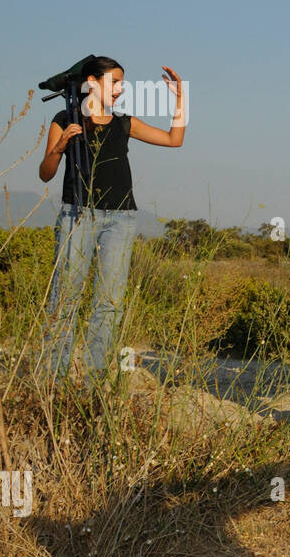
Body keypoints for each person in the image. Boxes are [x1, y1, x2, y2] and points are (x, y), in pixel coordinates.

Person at [38, 57, 187, 378]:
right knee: (64, 300)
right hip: (76, 215)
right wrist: (60, 145)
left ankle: (94, 381)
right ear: (92, 81)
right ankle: (54, 382)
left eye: (122, 83)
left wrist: (179, 100)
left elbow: (175, 140)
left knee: (108, 303)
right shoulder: (64, 118)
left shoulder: (124, 123)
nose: (121, 89)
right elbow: (46, 174)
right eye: (115, 82)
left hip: (121, 220)